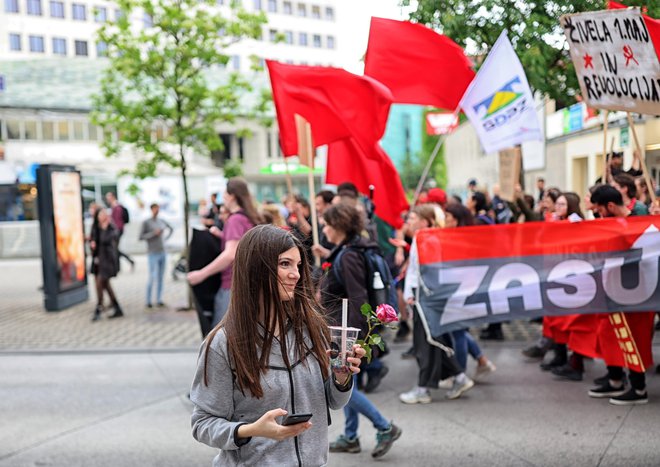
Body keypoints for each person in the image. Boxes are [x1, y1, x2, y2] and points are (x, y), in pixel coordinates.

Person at [190, 225, 365, 466]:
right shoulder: (224, 342)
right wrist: (251, 429)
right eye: (285, 264)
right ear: (256, 268)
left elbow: (334, 402)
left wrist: (341, 377)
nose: (296, 274)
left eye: (298, 265)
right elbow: (203, 423)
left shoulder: (311, 329)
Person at [319, 203, 401, 458]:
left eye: (327, 224)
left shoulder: (350, 255)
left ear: (339, 226)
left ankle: (384, 426)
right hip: (347, 330)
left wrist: (352, 342)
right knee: (346, 382)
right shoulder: (349, 250)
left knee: (341, 385)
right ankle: (351, 436)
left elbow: (357, 298)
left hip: (347, 334)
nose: (324, 228)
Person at [399, 204, 477, 404]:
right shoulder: (422, 238)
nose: (409, 221)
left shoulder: (429, 239)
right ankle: (459, 377)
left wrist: (415, 293)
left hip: (425, 297)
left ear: (425, 221)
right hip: (420, 295)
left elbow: (428, 271)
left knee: (425, 343)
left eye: (413, 218)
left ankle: (423, 389)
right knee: (431, 340)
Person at [587, 185, 654, 405]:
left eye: (600, 210)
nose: (598, 215)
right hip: (615, 291)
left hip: (639, 294)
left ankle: (638, 387)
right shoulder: (613, 224)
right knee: (610, 334)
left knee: (636, 338)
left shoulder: (640, 224)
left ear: (610, 206)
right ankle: (616, 379)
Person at [187, 178, 261, 326]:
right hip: (245, 284)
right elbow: (241, 247)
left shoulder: (235, 220)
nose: (223, 198)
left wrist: (202, 274)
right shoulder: (247, 217)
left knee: (221, 338)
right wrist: (222, 236)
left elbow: (231, 254)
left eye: (225, 194)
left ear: (232, 196)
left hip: (231, 286)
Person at [90, 207, 123, 321]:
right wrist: (92, 243)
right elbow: (93, 240)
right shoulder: (95, 227)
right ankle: (116, 307)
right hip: (98, 260)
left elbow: (109, 239)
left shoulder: (110, 227)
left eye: (103, 214)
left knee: (100, 283)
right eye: (100, 215)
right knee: (105, 285)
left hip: (108, 260)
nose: (102, 217)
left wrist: (105, 228)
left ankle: (98, 308)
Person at [139, 203, 173, 308]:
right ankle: (148, 301)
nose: (157, 211)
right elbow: (141, 237)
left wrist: (165, 239)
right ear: (151, 209)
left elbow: (171, 228)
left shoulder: (161, 221)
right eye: (155, 209)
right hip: (152, 252)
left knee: (160, 277)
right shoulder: (146, 222)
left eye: (158, 208)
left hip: (162, 251)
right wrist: (154, 234)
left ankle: (159, 299)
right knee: (152, 276)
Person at [105, 192, 135, 271]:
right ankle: (126, 263)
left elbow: (117, 221)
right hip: (117, 230)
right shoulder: (114, 207)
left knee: (115, 249)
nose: (107, 200)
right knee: (115, 249)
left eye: (108, 197)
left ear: (113, 197)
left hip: (117, 231)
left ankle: (119, 267)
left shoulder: (117, 207)